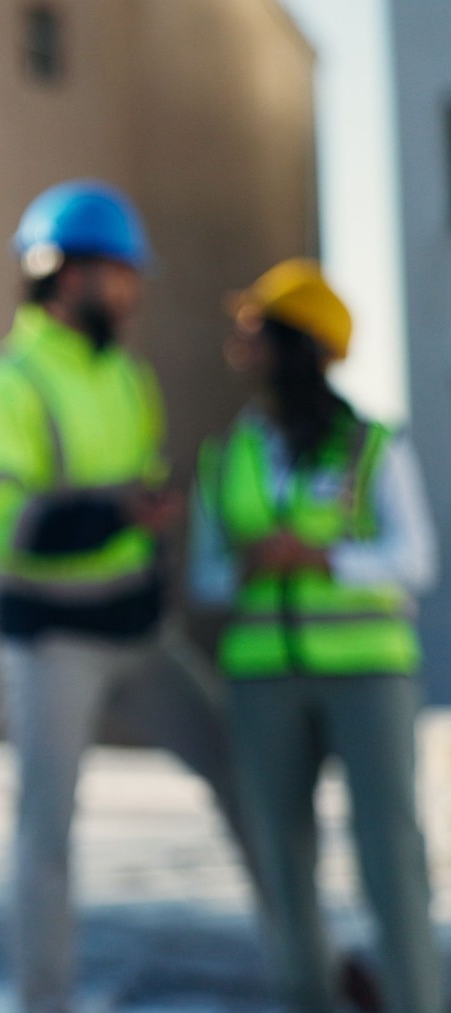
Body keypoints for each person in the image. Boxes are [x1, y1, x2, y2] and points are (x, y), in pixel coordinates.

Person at [0, 180, 257, 1013]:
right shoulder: (4, 387)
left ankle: (316, 955)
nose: (131, 292)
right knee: (44, 834)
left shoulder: (128, 377)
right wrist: (113, 509)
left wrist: (148, 510)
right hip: (51, 643)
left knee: (242, 766)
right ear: (61, 272)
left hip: (140, 630)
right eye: (118, 273)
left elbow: (142, 487)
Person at [192, 259, 442, 1013]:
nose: (241, 345)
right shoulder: (229, 453)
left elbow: (417, 559)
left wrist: (326, 556)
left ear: (296, 343)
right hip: (263, 677)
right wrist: (245, 564)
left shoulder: (372, 445)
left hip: (368, 674)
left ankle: (415, 999)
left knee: (389, 857)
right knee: (281, 862)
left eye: (255, 329)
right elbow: (205, 579)